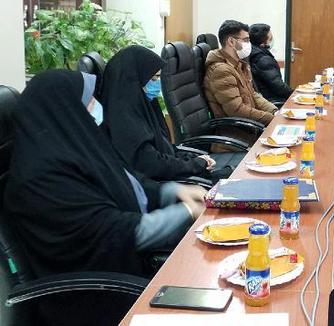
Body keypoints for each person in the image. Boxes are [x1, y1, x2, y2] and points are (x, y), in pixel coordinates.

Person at [3, 70, 206, 324]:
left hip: (127, 271)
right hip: (94, 298)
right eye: (88, 100)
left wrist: (174, 191)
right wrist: (187, 212)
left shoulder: (75, 147)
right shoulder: (39, 180)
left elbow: (126, 184)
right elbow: (113, 232)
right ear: (65, 108)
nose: (96, 105)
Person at [101, 45, 232, 182]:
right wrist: (194, 165)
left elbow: (164, 148)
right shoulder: (123, 120)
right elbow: (151, 164)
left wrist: (193, 160)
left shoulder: (144, 104)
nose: (157, 84)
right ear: (133, 80)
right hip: (161, 185)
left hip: (170, 173)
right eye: (153, 79)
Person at [203, 20, 278, 126]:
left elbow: (253, 94)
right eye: (246, 40)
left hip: (251, 125)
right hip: (237, 130)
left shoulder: (238, 65)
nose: (249, 44)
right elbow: (237, 110)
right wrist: (272, 119)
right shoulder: (221, 71)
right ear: (231, 42)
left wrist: (274, 111)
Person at [248, 23, 293, 104]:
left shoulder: (252, 53)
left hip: (265, 99)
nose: (272, 41)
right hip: (273, 100)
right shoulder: (263, 59)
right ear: (263, 43)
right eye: (270, 39)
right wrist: (294, 94)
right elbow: (279, 87)